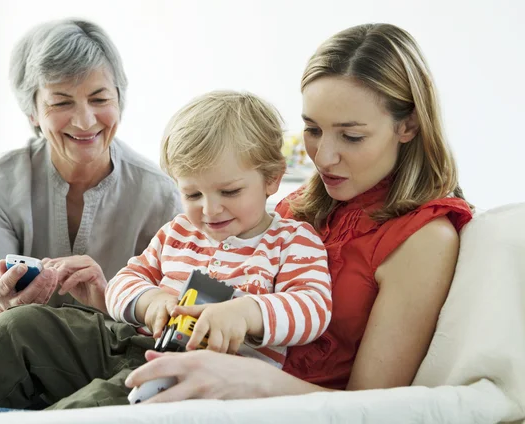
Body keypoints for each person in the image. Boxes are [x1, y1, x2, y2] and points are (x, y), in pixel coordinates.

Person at [122, 22, 474, 403]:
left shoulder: (424, 239)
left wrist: (251, 382)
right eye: (312, 129)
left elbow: (373, 405)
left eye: (351, 136)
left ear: (408, 125)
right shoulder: (298, 208)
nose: (321, 158)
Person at [0, 90, 333, 411]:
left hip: (206, 375)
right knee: (20, 326)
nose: (210, 210)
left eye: (229, 192)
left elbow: (314, 308)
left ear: (272, 179)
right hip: (131, 342)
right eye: (192, 193)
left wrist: (247, 313)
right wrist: (150, 300)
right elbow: (125, 281)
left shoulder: (291, 241)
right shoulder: (179, 230)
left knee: (95, 405)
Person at [0, 17, 181, 422]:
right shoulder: (1, 185)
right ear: (33, 113)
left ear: (120, 98)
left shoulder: (160, 194)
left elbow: (170, 324)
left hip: (101, 376)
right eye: (62, 102)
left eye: (99, 98)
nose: (85, 121)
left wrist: (109, 298)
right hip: (6, 360)